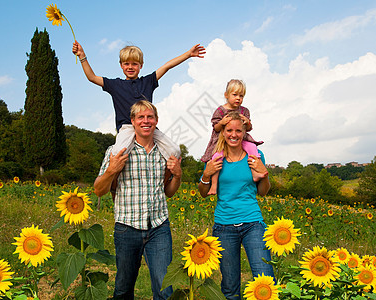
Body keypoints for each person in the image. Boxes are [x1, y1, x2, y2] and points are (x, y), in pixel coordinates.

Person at [94, 100, 182, 300]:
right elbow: (99, 190)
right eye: (140, 117)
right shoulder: (116, 152)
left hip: (159, 227)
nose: (146, 121)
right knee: (124, 288)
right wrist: (111, 170)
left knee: (165, 289)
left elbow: (169, 192)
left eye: (150, 117)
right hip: (127, 228)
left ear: (156, 121)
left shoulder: (165, 153)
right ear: (132, 121)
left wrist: (177, 175)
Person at [72, 41, 205, 159]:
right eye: (126, 64)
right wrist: (82, 56)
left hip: (147, 126)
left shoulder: (148, 82)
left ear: (141, 65)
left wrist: (188, 54)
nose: (130, 67)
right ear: (121, 65)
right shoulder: (115, 85)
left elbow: (166, 67)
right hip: (127, 127)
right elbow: (92, 77)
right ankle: (115, 181)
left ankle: (165, 181)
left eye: (134, 64)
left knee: (174, 151)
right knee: (118, 152)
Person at [198, 111, 275, 300]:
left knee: (265, 279)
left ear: (244, 132)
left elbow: (263, 191)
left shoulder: (255, 156)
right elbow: (203, 192)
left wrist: (264, 174)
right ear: (223, 132)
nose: (234, 135)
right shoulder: (215, 159)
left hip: (253, 224)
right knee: (230, 287)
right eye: (229, 130)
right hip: (224, 227)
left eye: (238, 131)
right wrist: (206, 175)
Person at [201, 79, 267, 195]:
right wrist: (222, 123)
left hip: (243, 140)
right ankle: (214, 185)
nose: (238, 98)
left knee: (252, 147)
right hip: (221, 141)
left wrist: (247, 122)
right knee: (216, 158)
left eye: (241, 96)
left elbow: (248, 128)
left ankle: (255, 172)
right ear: (226, 95)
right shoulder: (220, 110)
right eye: (235, 95)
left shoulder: (244, 110)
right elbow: (215, 128)